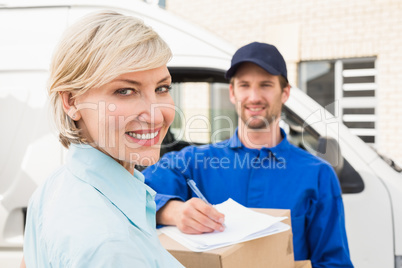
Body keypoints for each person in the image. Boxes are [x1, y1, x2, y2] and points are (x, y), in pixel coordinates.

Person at [143, 42, 354, 267]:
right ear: (233, 93)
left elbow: (334, 262)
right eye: (244, 85)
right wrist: (170, 211)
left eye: (265, 85)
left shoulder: (317, 175)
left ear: (285, 93)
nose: (254, 97)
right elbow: (129, 191)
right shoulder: (192, 162)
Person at [23, 11, 184, 267]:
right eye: (125, 91)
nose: (156, 116)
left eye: (161, 88)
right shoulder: (110, 245)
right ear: (71, 101)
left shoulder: (54, 186)